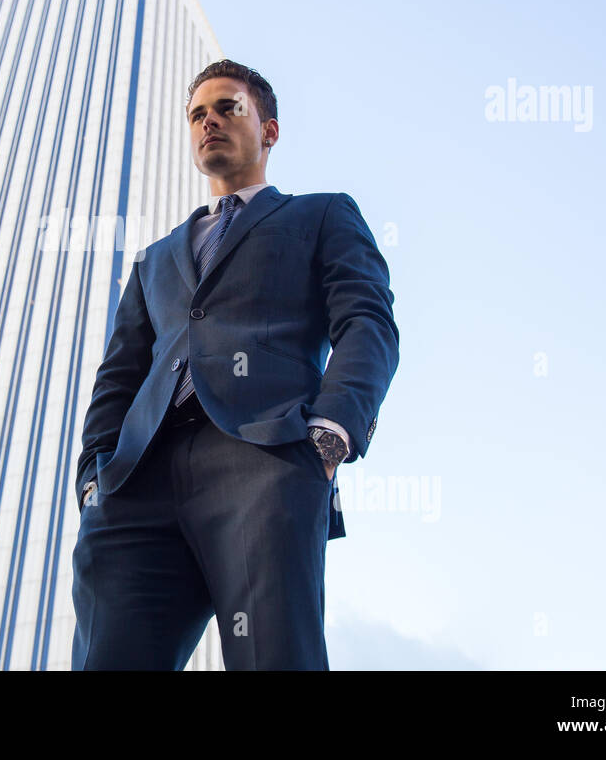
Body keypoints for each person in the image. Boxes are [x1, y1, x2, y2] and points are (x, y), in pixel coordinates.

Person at [71, 59, 400, 670]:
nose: (210, 121)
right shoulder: (154, 260)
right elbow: (118, 375)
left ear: (269, 130)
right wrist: (94, 474)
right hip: (136, 482)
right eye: (198, 114)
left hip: (263, 459)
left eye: (228, 108)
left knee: (273, 658)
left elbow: (367, 323)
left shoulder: (322, 214)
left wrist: (331, 434)